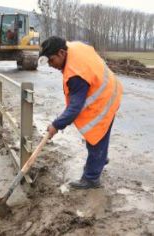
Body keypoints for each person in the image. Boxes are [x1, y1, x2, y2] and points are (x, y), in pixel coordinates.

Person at [38, 36, 123, 189]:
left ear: (61, 53)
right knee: (97, 137)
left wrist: (56, 125)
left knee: (96, 136)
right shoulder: (73, 46)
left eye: (51, 60)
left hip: (105, 98)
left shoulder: (75, 74)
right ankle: (100, 159)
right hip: (108, 87)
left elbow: (74, 108)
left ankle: (91, 179)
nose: (50, 65)